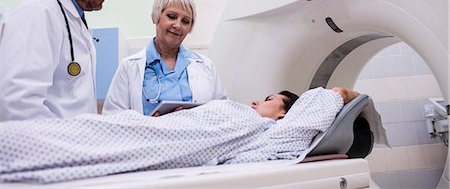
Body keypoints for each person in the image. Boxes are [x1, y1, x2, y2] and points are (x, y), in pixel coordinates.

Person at [0, 87, 359, 184]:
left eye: (268, 100)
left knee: (74, 136)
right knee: (86, 128)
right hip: (150, 127)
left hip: (165, 141)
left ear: (284, 113)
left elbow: (329, 95)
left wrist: (342, 92)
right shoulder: (243, 114)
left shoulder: (270, 130)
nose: (256, 100)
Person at [0, 0, 122, 121]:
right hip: (48, 147)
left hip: (73, 143)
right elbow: (18, 104)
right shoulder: (37, 13)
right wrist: (63, 147)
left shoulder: (73, 17)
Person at [102, 0, 227, 116]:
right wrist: (148, 123)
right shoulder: (129, 67)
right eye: (172, 16)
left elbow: (223, 111)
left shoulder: (206, 65)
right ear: (156, 17)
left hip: (198, 135)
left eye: (185, 21)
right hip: (148, 136)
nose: (178, 25)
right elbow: (112, 117)